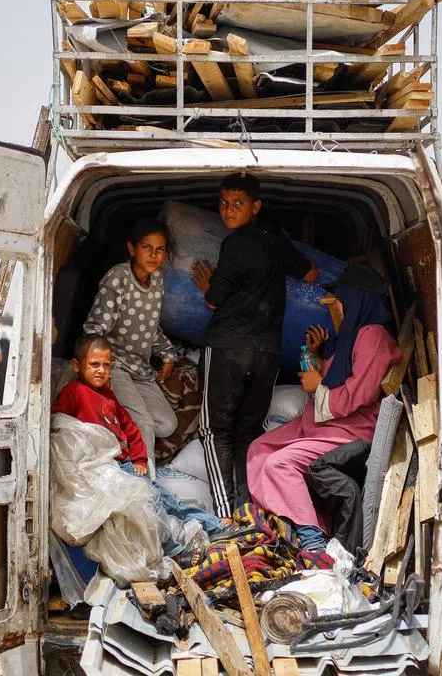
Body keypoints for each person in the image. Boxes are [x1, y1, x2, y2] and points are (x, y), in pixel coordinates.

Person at [190, 173, 318, 517]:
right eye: (223, 203)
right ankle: (250, 512)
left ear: (255, 206)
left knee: (215, 430)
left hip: (227, 347)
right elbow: (311, 275)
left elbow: (215, 301)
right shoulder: (276, 241)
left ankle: (224, 516)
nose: (228, 211)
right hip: (267, 353)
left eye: (237, 204)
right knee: (248, 432)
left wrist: (207, 285)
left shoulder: (233, 245)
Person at [246, 265, 400, 551]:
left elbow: (360, 394)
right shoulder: (355, 334)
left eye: (340, 300)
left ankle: (313, 539)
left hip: (350, 431)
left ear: (356, 299)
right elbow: (337, 374)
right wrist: (317, 357)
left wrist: (317, 386)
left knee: (280, 464)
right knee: (259, 449)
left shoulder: (373, 336)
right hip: (325, 423)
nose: (337, 307)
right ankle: (277, 522)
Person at [52, 335, 225, 559]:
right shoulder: (73, 393)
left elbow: (131, 429)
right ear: (77, 365)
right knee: (153, 502)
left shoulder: (109, 396)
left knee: (165, 499)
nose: (101, 371)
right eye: (94, 365)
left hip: (123, 466)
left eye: (106, 365)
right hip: (104, 467)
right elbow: (58, 425)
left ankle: (215, 528)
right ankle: (177, 549)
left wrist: (140, 459)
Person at [83, 219, 180, 472]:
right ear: (132, 249)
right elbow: (94, 331)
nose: (154, 255)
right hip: (115, 367)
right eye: (147, 247)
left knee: (167, 424)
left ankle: (120, 437)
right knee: (144, 424)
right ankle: (147, 488)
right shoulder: (117, 278)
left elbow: (150, 327)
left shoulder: (157, 279)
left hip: (141, 369)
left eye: (160, 250)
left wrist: (168, 355)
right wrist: (100, 375)